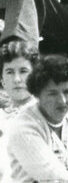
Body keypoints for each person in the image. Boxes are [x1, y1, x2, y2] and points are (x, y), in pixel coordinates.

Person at [0, 42, 38, 181]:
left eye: (23, 71)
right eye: (10, 72)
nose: (17, 79)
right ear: (2, 80)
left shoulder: (44, 113)